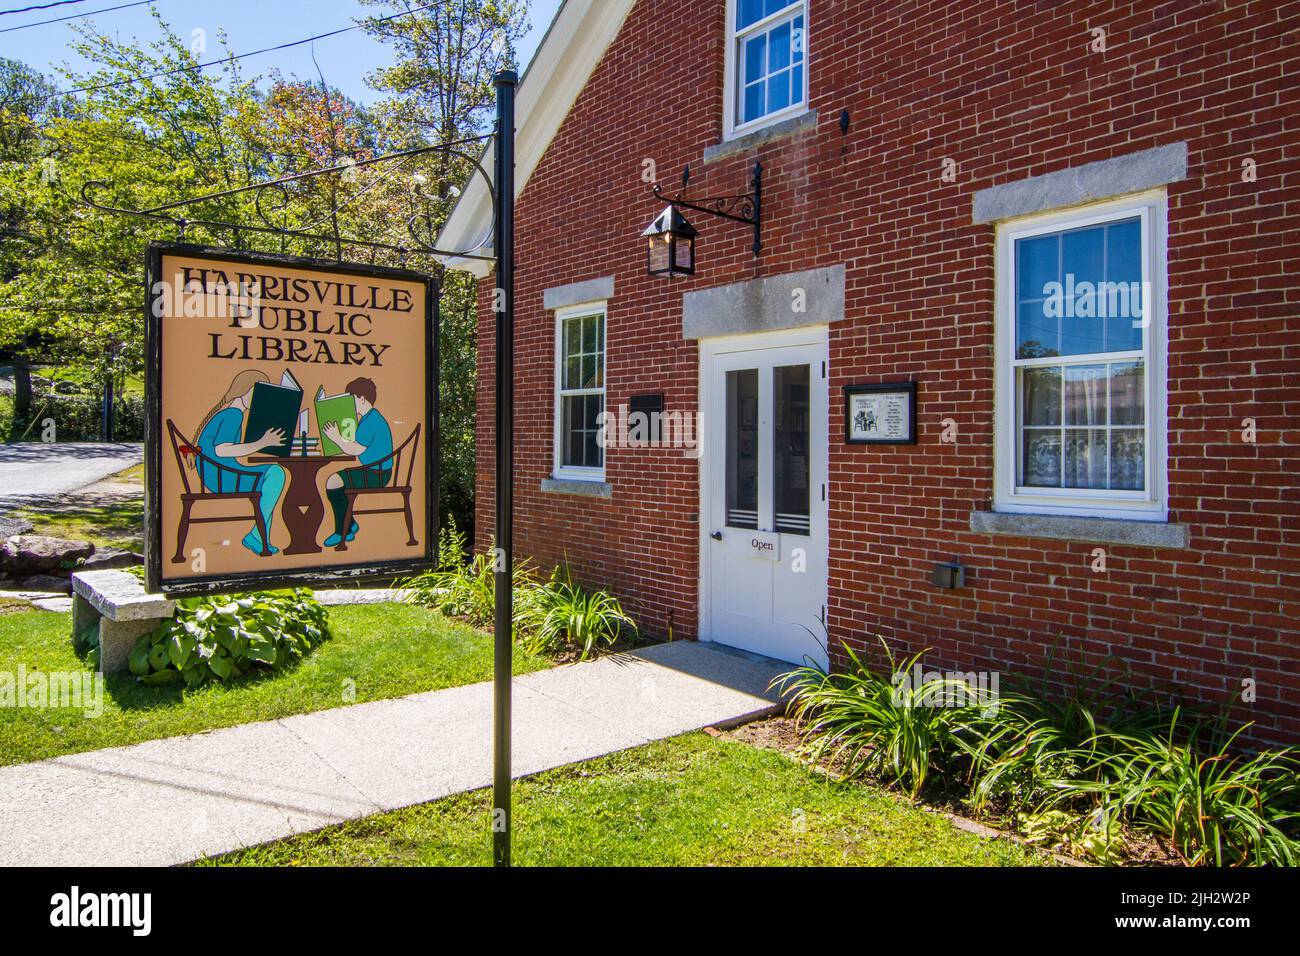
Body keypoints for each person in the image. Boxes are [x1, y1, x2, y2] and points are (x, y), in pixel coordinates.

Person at [194, 369, 287, 555]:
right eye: (259, 394)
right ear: (247, 390)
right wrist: (262, 442)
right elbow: (222, 450)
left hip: (219, 473)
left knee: (273, 474)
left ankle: (260, 538)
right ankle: (257, 537)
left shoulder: (230, 413)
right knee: (276, 473)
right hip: (223, 476)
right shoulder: (233, 414)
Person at [321, 377, 393, 548]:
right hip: (373, 471)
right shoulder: (368, 418)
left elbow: (356, 450)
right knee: (337, 482)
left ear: (361, 398)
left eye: (351, 399)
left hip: (377, 474)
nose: (350, 404)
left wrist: (336, 438)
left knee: (334, 481)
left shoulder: (372, 420)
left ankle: (342, 531)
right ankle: (350, 524)